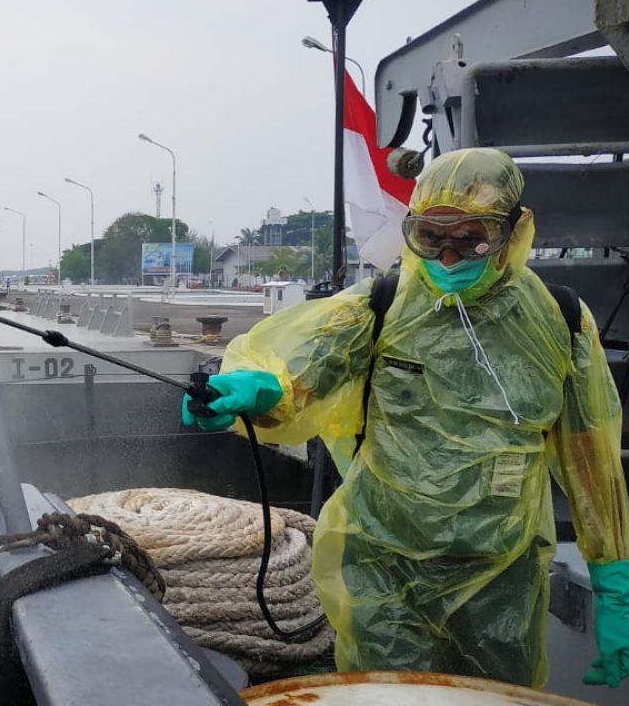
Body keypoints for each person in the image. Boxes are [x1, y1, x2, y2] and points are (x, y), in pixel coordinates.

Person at [182, 148, 629, 689]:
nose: (447, 256)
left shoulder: (561, 320)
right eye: (429, 237)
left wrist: (614, 585)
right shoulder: (380, 306)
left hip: (502, 578)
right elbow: (302, 381)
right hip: (386, 567)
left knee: (497, 699)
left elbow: (592, 460)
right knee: (388, 695)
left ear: (515, 229)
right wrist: (256, 393)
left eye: (472, 239)